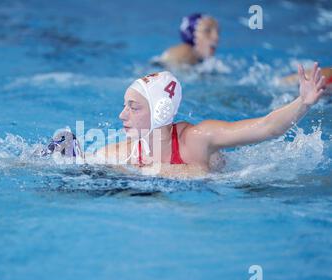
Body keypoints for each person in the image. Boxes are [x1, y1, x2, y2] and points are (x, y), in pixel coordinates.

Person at [90, 63, 326, 179]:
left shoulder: (198, 138)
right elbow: (79, 161)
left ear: (160, 111)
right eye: (124, 106)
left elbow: (266, 127)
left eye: (133, 107)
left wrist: (303, 102)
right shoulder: (128, 152)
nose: (122, 115)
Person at [153, 13, 219, 69]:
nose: (216, 37)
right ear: (191, 34)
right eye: (207, 31)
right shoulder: (185, 52)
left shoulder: (201, 59)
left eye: (217, 31)